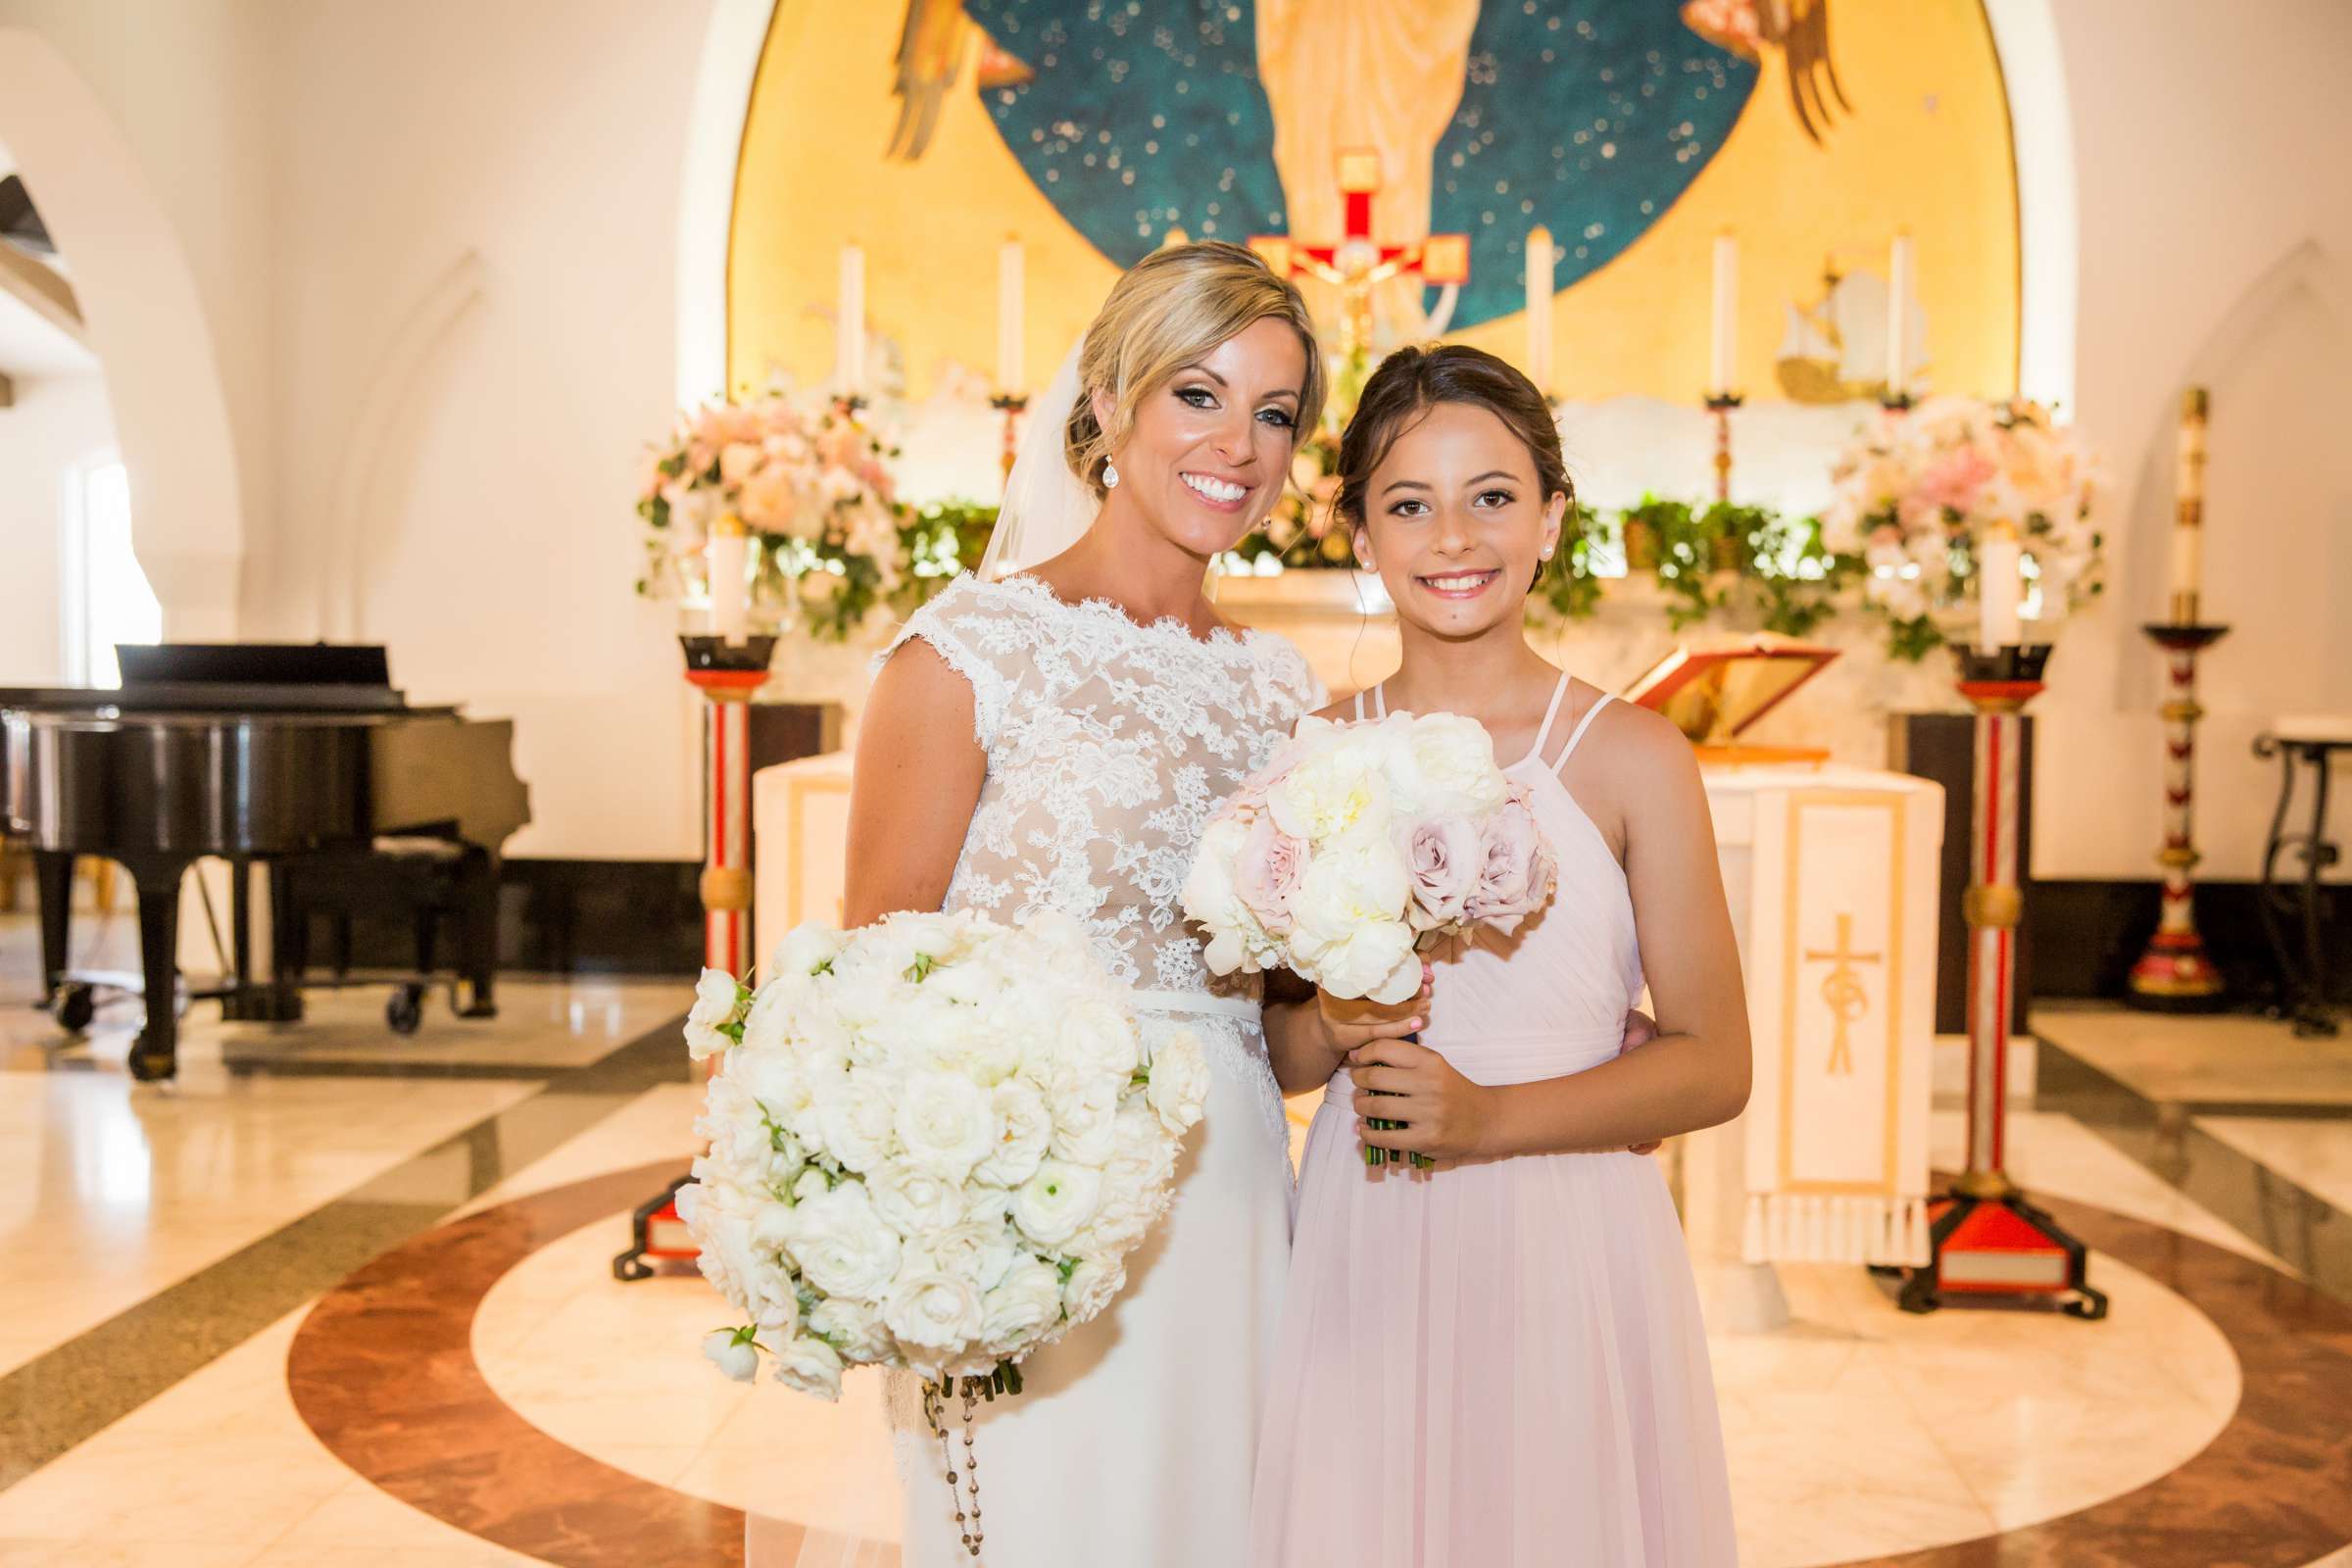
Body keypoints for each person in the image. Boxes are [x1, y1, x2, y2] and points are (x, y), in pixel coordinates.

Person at [837, 240, 1411, 1566]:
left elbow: (1273, 1031)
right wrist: (943, 1235)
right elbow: (861, 997)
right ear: (1104, 402)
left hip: (1228, 1210)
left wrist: (1369, 988)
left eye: (1276, 414)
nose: (1241, 446)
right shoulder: (963, 653)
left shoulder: (1280, 690)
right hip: (1025, 1210)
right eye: (1199, 395)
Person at [1251, 344, 1748, 1567]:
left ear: (1551, 516)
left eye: (1493, 495)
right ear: (1359, 536)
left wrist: (1488, 1119)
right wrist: (1338, 1021)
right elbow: (1273, 1054)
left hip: (1569, 1232)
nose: (1452, 536)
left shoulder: (1634, 755)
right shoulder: (1309, 753)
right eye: (1408, 504)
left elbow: (1715, 1064)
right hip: (1371, 1229)